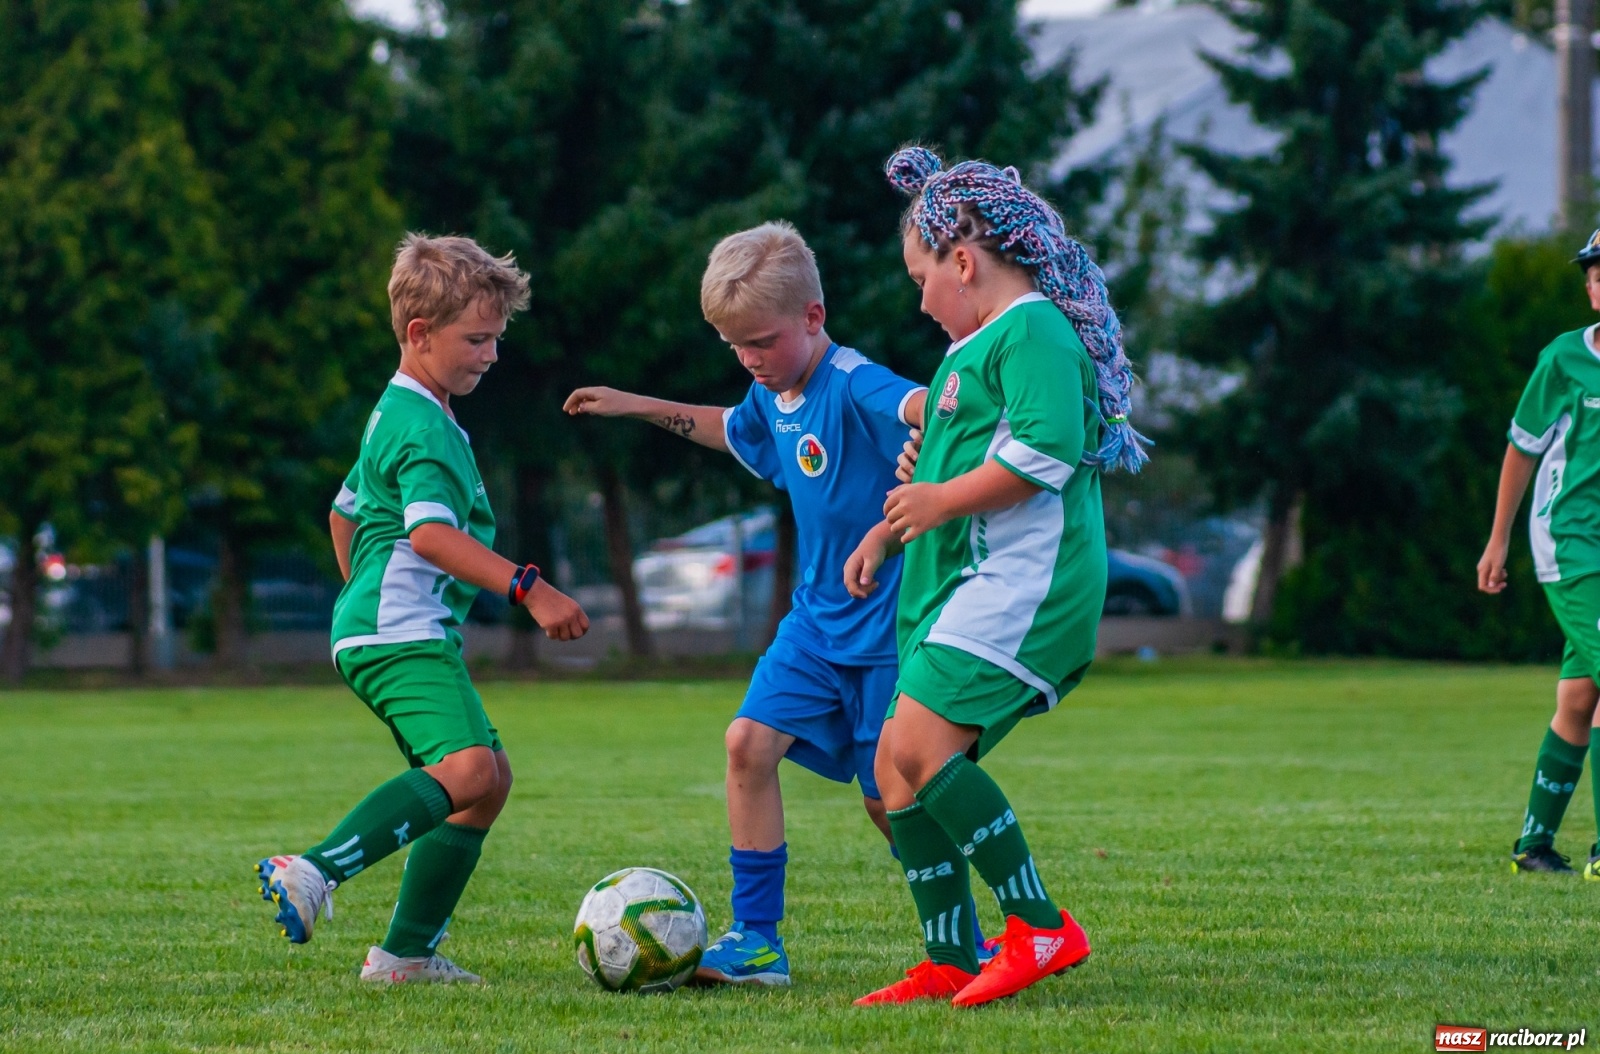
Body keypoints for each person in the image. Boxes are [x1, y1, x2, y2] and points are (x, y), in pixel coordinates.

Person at [565, 221, 995, 985]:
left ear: (812, 317)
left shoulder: (854, 382)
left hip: (889, 633)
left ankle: (968, 935)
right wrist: (630, 403)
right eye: (734, 347)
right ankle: (757, 941)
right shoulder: (773, 392)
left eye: (760, 342)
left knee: (890, 806)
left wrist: (926, 441)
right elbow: (730, 430)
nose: (749, 361)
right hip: (814, 625)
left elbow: (930, 406)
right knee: (746, 745)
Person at [845, 147, 1149, 1008]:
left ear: (964, 262)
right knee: (896, 768)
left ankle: (1039, 925)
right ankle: (948, 955)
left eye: (921, 276)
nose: (920, 298)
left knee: (916, 747)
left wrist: (938, 499)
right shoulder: (969, 354)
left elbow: (1044, 451)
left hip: (1027, 585)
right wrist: (885, 531)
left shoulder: (1036, 330)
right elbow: (940, 473)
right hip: (960, 586)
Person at [256, 233, 589, 983]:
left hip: (391, 630)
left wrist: (363, 597)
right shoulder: (427, 428)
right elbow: (431, 535)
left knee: (486, 780)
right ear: (419, 333)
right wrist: (529, 587)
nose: (491, 355)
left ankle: (405, 954)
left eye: (497, 338)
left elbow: (344, 513)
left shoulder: (399, 410)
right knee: (469, 771)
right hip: (399, 636)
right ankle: (312, 871)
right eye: (477, 339)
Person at [1477, 228, 1600, 879]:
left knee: (1580, 696)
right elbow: (1522, 447)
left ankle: (1534, 846)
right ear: (1590, 290)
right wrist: (1497, 541)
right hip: (1574, 544)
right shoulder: (1564, 360)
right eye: (1598, 273)